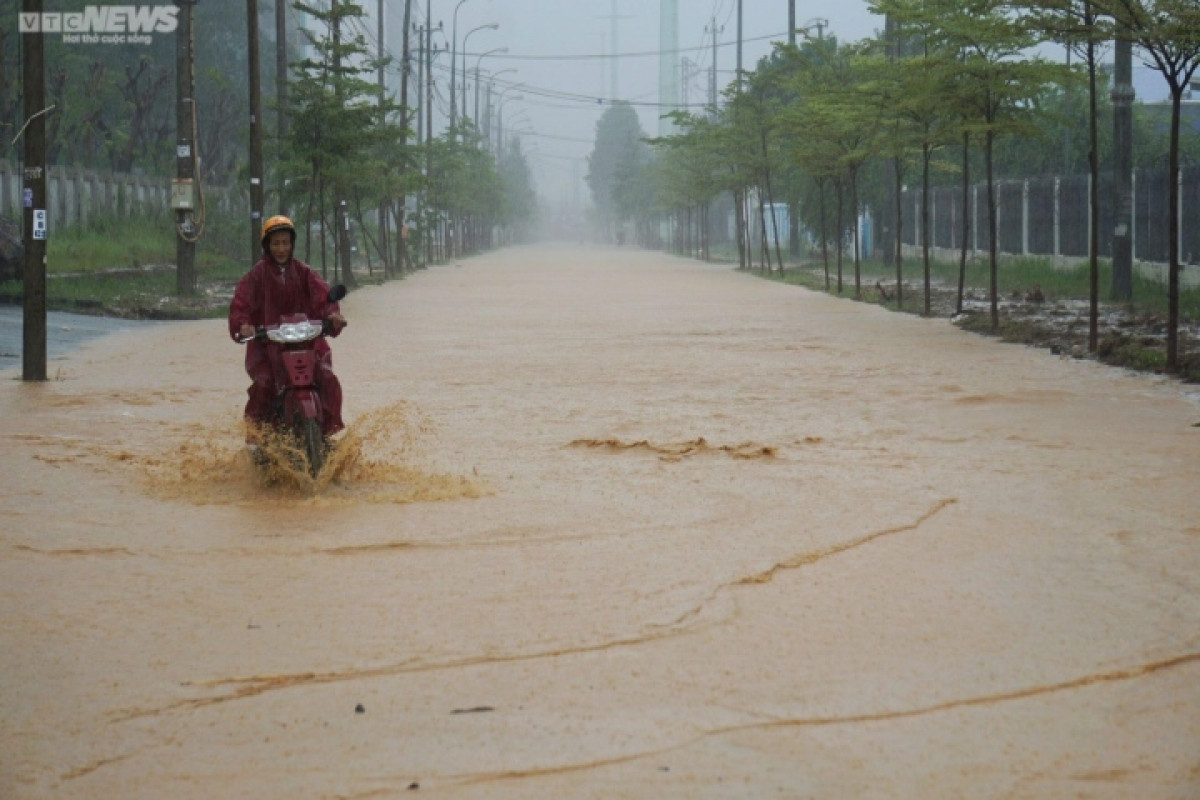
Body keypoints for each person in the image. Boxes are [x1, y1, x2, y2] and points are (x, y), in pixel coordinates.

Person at [228, 215, 347, 440]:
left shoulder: (305, 273)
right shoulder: (256, 276)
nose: (281, 248)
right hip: (266, 346)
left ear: (292, 244)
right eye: (276, 243)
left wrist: (332, 316)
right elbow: (240, 305)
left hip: (308, 343)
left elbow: (325, 298)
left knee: (327, 377)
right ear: (267, 245)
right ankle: (257, 438)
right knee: (264, 385)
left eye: (285, 243)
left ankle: (328, 433)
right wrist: (242, 326)